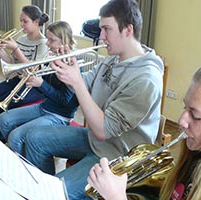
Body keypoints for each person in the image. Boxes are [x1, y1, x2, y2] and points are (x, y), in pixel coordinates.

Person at [24, 0, 164, 199]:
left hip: (118, 158)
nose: (101, 37)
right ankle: (45, 189)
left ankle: (48, 193)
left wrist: (78, 83)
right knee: (34, 138)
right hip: (96, 142)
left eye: (107, 29)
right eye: (101, 29)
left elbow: (102, 130)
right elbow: (83, 83)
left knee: (52, 192)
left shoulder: (146, 79)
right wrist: (67, 69)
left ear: (128, 29)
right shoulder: (112, 60)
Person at [87, 63, 201, 200]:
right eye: (185, 107)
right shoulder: (198, 155)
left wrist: (116, 196)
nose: (182, 120)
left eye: (195, 116)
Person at [0, 21, 79, 156]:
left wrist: (41, 84)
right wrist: (31, 76)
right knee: (3, 119)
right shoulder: (51, 57)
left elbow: (65, 100)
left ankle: (28, 163)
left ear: (64, 41)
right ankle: (24, 154)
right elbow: (44, 84)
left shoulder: (72, 64)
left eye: (51, 40)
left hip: (60, 116)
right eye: (48, 39)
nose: (47, 43)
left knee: (15, 137)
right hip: (44, 107)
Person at [0, 5, 49, 154]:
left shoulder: (43, 43)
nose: (21, 25)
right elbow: (13, 63)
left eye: (25, 21)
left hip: (34, 86)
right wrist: (0, 50)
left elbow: (33, 70)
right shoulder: (20, 39)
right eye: (20, 21)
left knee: (0, 106)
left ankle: (10, 141)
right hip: (18, 79)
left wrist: (15, 49)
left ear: (36, 22)